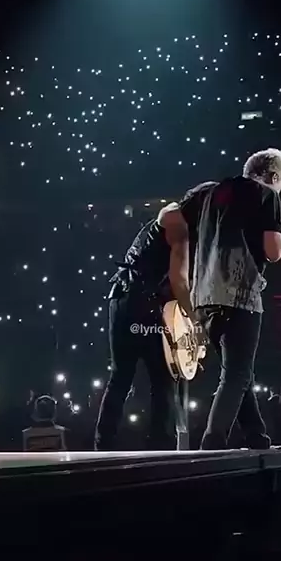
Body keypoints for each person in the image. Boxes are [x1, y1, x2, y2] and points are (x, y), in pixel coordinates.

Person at [160, 148, 281, 450]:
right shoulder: (266, 194)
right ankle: (212, 442)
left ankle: (257, 436)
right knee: (236, 375)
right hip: (239, 294)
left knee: (240, 372)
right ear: (273, 176)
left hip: (203, 297)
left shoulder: (209, 192)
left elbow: (166, 217)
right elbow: (273, 251)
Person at [94, 183, 214, 451]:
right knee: (154, 378)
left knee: (132, 377)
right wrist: (197, 322)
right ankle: (156, 445)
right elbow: (179, 281)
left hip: (131, 301)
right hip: (138, 304)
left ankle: (108, 444)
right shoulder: (178, 222)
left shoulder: (179, 219)